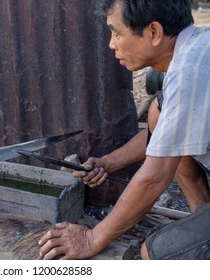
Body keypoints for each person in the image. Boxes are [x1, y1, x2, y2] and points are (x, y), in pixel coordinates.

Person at [38, 0, 210, 260]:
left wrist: (92, 238)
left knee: (154, 255)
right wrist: (108, 163)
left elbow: (154, 178)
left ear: (154, 32)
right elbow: (167, 132)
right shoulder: (197, 46)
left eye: (117, 33)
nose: (111, 43)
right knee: (158, 110)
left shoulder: (190, 74)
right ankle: (202, 216)